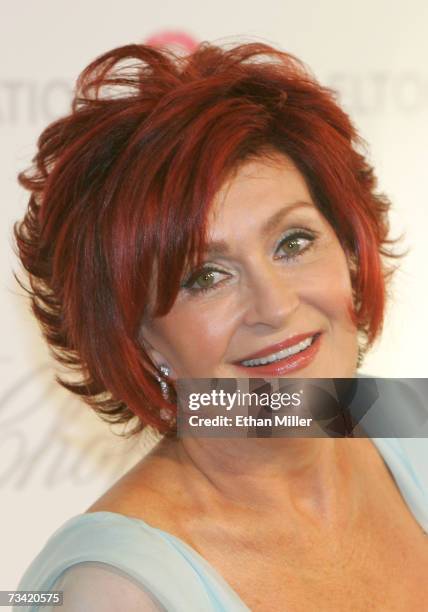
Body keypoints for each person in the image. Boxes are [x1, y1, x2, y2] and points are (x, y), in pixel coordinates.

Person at [13, 40, 428, 611]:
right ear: (135, 338)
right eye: (205, 276)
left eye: (294, 242)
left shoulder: (414, 423)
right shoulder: (109, 590)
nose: (275, 306)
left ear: (351, 253)